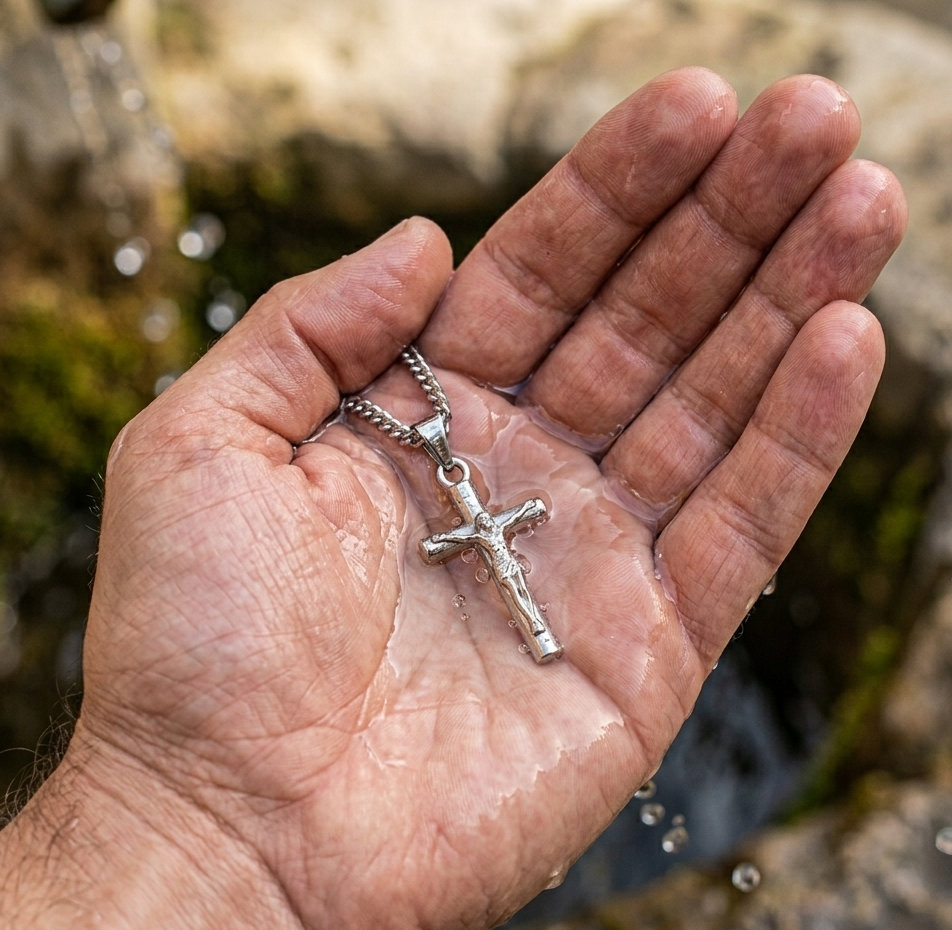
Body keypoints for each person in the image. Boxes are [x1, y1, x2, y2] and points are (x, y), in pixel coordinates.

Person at [0, 67, 905, 929]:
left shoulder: (482, 517)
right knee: (501, 563)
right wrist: (185, 807)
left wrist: (185, 837)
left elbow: (494, 530)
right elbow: (464, 539)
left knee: (511, 562)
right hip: (476, 549)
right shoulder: (462, 520)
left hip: (491, 543)